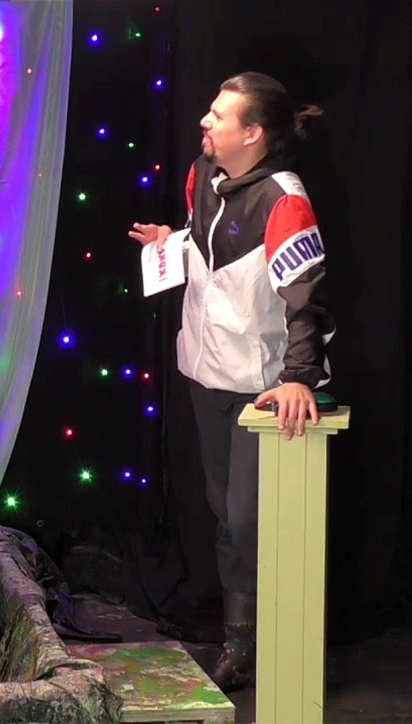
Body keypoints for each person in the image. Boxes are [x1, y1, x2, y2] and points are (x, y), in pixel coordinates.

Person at [129, 72, 335, 692]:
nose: (205, 121)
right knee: (224, 514)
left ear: (253, 134)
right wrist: (173, 243)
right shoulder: (201, 174)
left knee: (249, 520)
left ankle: (281, 637)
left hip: (262, 386)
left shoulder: (283, 200)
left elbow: (306, 300)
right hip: (207, 372)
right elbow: (212, 245)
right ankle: (240, 643)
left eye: (219, 116)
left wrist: (298, 377)